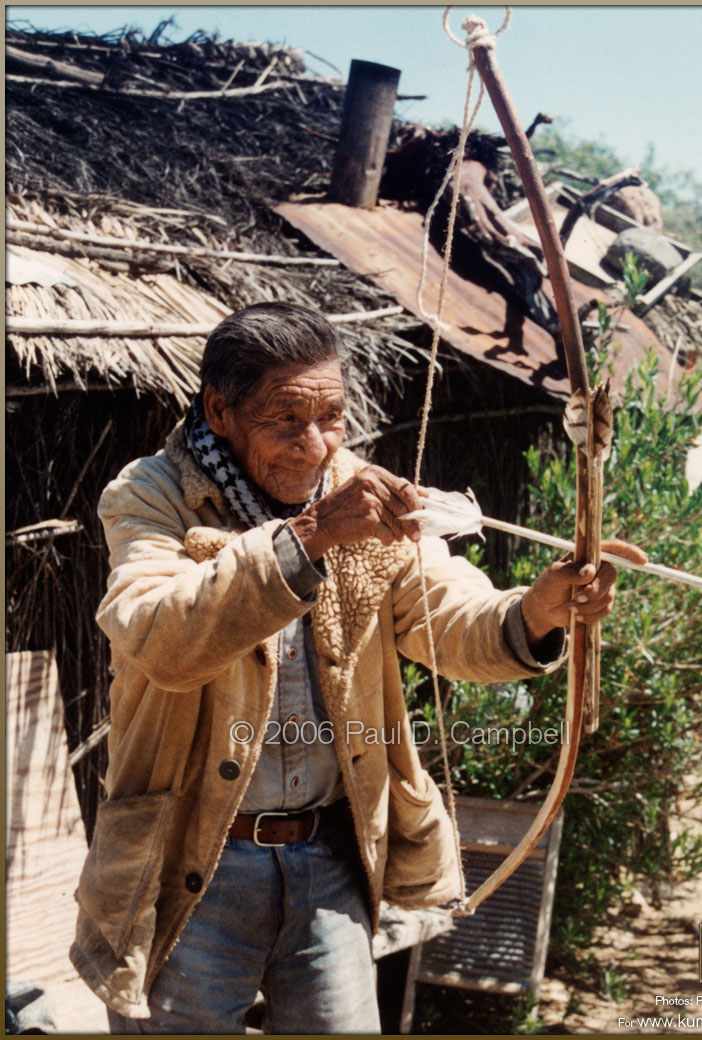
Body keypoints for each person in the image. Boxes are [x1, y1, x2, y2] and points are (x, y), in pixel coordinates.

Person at [71, 301, 645, 1034]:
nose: (314, 447)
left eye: (332, 417)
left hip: (330, 858)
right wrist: (310, 535)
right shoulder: (152, 493)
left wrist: (536, 611)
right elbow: (159, 636)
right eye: (286, 419)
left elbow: (443, 610)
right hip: (191, 863)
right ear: (220, 410)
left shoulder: (354, 488)